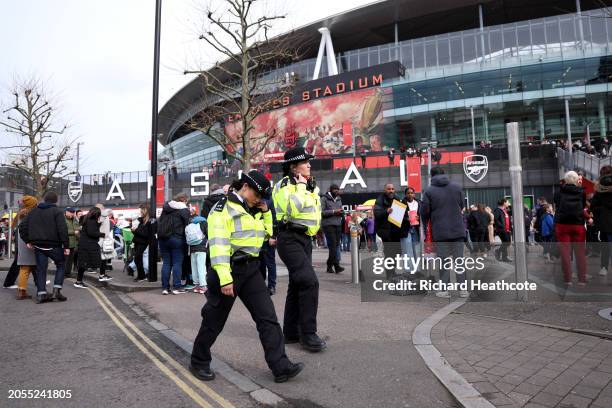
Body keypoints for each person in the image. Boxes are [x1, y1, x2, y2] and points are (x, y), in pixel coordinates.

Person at [190, 170, 304, 383]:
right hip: (227, 270)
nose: (259, 199)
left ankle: (281, 366)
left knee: (267, 318)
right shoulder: (222, 209)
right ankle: (199, 361)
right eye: (258, 195)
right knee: (214, 321)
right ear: (246, 187)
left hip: (251, 269)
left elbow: (269, 233)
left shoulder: (256, 209)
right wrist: (225, 278)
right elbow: (219, 245)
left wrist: (266, 211)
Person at [273, 147, 326, 352]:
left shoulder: (310, 185)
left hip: (305, 240)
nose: (310, 165)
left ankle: (291, 333)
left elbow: (314, 212)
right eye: (305, 162)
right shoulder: (285, 185)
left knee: (297, 285)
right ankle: (308, 334)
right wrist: (302, 187)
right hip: (290, 238)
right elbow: (291, 210)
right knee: (309, 282)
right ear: (294, 167)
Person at [421, 167, 467, 298]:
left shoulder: (429, 191)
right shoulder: (457, 187)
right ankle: (463, 290)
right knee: (459, 261)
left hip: (440, 231)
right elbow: (462, 205)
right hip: (458, 230)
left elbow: (425, 211)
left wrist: (427, 224)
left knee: (444, 261)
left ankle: (444, 290)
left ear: (431, 176)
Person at [19, 191, 70, 303]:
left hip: (39, 246)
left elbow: (22, 226)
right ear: (55, 200)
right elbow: (62, 229)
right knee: (61, 265)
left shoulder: (34, 211)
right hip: (54, 245)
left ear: (45, 200)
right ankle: (56, 291)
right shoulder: (57, 211)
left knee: (41, 269)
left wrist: (28, 240)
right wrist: (66, 246)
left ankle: (41, 294)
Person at [554, 171, 587, 286]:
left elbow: (557, 204)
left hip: (562, 224)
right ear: (576, 179)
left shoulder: (558, 191)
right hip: (578, 224)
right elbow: (583, 206)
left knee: (565, 253)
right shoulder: (582, 191)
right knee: (580, 253)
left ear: (565, 179)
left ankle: (567, 279)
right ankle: (582, 279)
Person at [157, 193, 190, 295]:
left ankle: (165, 288)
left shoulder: (166, 207)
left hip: (163, 239)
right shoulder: (183, 209)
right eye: (187, 201)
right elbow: (187, 223)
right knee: (177, 263)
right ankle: (176, 287)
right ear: (183, 200)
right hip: (176, 238)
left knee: (166, 263)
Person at [374, 183, 403, 280]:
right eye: (389, 189)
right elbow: (377, 214)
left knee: (396, 252)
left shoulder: (397, 198)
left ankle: (393, 272)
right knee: (389, 252)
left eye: (392, 189)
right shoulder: (380, 200)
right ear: (385, 190)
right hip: (385, 230)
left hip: (395, 230)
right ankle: (389, 274)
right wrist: (386, 211)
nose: (391, 190)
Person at [74, 207, 106, 289]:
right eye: (98, 214)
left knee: (83, 264)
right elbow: (92, 232)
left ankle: (78, 281)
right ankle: (102, 275)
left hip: (84, 244)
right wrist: (102, 234)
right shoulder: (91, 221)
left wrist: (98, 224)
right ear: (96, 214)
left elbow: (89, 229)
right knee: (100, 260)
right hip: (89, 245)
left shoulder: (86, 219)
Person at [15, 196, 39, 300]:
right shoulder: (31, 214)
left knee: (24, 268)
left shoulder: (21, 213)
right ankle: (39, 289)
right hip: (29, 243)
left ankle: (22, 291)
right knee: (33, 267)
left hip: (22, 243)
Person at [590, 166, 611, 276]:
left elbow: (593, 206)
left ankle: (604, 267)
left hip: (604, 222)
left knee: (605, 246)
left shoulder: (598, 189)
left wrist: (602, 211)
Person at [321, 184, 344, 274]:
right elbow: (321, 212)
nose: (337, 191)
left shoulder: (339, 199)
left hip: (338, 224)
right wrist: (334, 211)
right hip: (328, 225)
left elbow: (340, 209)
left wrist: (341, 212)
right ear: (331, 190)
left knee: (336, 246)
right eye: (335, 190)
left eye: (337, 190)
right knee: (333, 246)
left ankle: (329, 266)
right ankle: (336, 266)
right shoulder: (324, 199)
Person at [259, 197, 278, 295]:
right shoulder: (251, 200)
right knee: (260, 264)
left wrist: (273, 236)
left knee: (270, 263)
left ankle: (271, 286)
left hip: (267, 239)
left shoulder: (269, 201)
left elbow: (274, 219)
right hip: (256, 239)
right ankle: (261, 285)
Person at [131, 203, 154, 282]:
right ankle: (141, 276)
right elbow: (140, 232)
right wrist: (133, 231)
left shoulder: (149, 221)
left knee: (137, 258)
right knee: (138, 259)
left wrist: (136, 230)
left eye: (141, 210)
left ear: (145, 210)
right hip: (138, 241)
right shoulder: (141, 220)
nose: (140, 211)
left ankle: (142, 276)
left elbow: (146, 234)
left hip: (143, 242)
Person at [400, 187, 421, 267]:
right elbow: (396, 217)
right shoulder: (401, 203)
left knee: (416, 250)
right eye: (408, 193)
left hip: (416, 229)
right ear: (405, 194)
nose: (410, 194)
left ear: (414, 194)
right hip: (406, 229)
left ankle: (417, 270)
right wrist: (406, 219)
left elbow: (422, 214)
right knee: (407, 250)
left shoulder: (419, 203)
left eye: (412, 193)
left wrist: (419, 217)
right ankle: (409, 271)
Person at [186, 214, 208, 294]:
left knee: (194, 267)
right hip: (201, 248)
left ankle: (196, 286)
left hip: (192, 248)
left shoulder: (190, 224)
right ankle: (203, 286)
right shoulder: (204, 222)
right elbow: (208, 234)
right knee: (201, 266)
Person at [493, 198, 513, 262]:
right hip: (501, 230)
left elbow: (511, 213)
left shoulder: (505, 210)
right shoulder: (498, 210)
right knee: (506, 243)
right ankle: (499, 252)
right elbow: (496, 219)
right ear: (504, 203)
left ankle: (504, 257)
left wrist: (509, 206)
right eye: (507, 202)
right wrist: (501, 226)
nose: (508, 203)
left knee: (507, 243)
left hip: (507, 230)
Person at [64, 207, 79, 279]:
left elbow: (77, 227)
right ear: (66, 212)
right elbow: (62, 231)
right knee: (65, 260)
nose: (72, 214)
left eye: (73, 213)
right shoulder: (63, 219)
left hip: (73, 243)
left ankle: (68, 273)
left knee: (70, 260)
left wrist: (78, 229)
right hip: (66, 243)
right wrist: (74, 232)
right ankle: (63, 273)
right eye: (71, 212)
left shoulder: (74, 219)